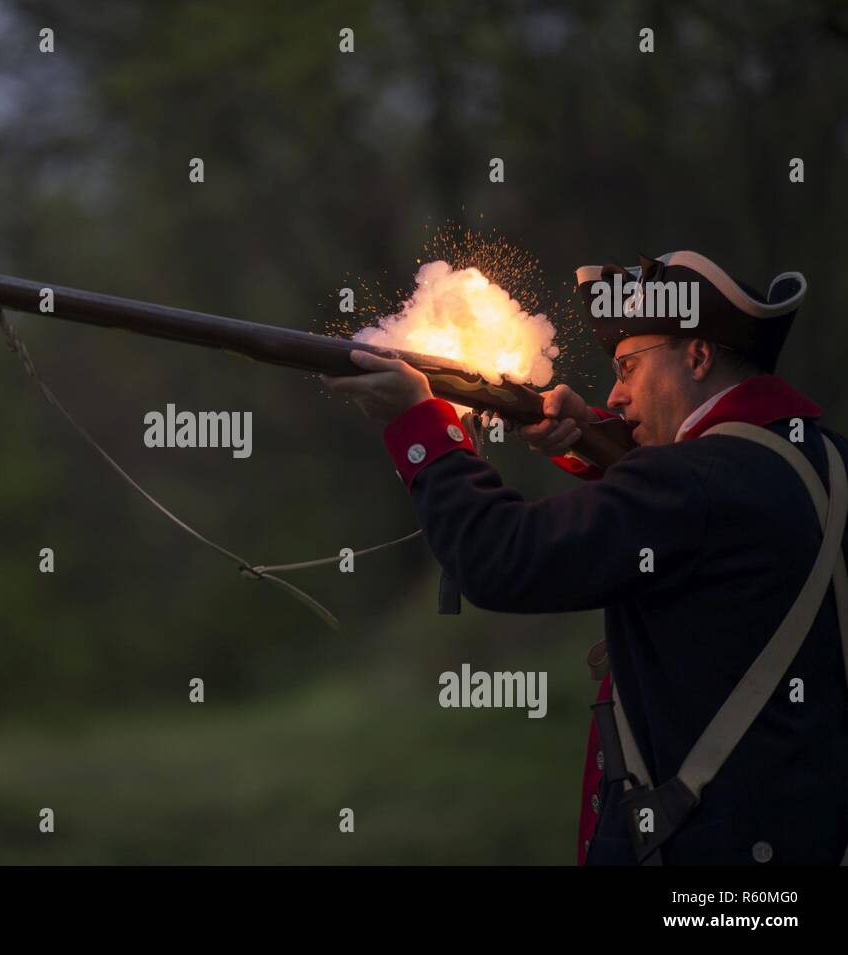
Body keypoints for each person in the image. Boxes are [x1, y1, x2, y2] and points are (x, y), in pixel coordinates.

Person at [323, 251, 848, 865]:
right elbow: (712, 519)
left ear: (698, 356)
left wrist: (419, 425)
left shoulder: (692, 483)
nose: (616, 394)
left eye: (627, 368)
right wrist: (595, 440)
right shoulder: (824, 459)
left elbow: (500, 558)